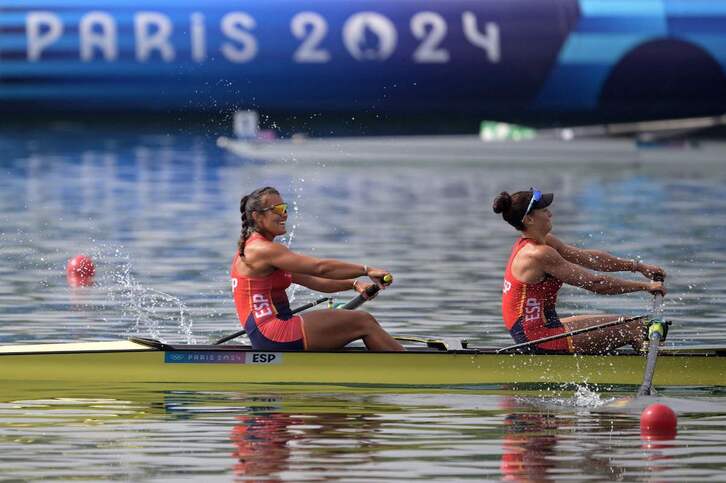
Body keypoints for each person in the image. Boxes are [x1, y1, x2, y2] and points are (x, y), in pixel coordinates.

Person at [492, 188, 666, 354]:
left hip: (544, 327)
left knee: (633, 324)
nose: (550, 214)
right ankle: (651, 366)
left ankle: (642, 355)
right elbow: (596, 284)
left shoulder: (544, 242)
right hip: (537, 338)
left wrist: (637, 267)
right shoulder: (538, 254)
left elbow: (590, 259)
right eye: (544, 210)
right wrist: (646, 287)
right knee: (634, 326)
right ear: (529, 219)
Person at [231, 186, 404, 352]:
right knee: (363, 321)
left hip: (269, 333)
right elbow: (320, 268)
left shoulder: (259, 250)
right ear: (257, 216)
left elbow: (315, 281)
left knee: (359, 321)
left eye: (285, 208)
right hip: (274, 333)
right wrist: (367, 270)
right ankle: (405, 368)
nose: (284, 214)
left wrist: (354, 284)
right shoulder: (263, 250)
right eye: (277, 209)